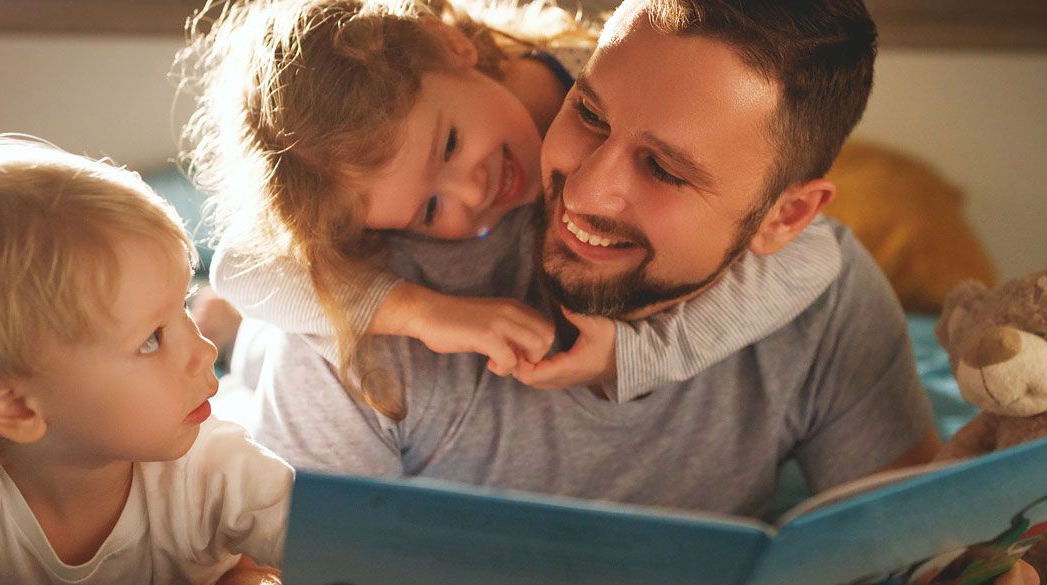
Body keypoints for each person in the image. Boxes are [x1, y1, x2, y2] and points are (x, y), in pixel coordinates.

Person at [178, 0, 843, 412]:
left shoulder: (609, 74)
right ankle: (229, 325)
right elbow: (244, 262)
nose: (472, 193)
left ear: (452, 46)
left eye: (452, 143)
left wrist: (634, 355)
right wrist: (420, 312)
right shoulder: (391, 204)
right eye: (429, 211)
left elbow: (817, 253)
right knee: (285, 331)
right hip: (282, 335)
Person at [0, 135, 291, 585]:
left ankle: (231, 324)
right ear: (17, 407)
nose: (202, 354)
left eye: (184, 308)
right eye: (152, 340)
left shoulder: (213, 463)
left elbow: (344, 547)